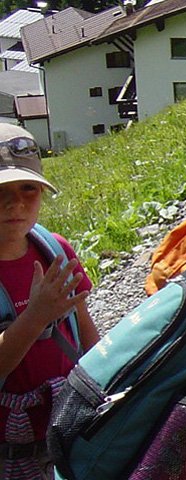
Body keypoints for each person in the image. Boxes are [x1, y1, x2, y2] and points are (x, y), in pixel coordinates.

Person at [0, 124, 99, 479]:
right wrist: (36, 316)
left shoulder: (54, 249)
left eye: (28, 188)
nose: (15, 203)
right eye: (1, 191)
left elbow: (85, 329)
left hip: (69, 425)